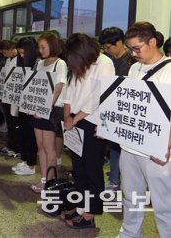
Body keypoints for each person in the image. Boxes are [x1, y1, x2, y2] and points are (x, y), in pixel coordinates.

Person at [119, 22, 171, 238]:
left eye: (137, 48)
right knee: (131, 196)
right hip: (130, 146)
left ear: (153, 42)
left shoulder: (169, 70)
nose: (133, 53)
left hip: (157, 148)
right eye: (130, 48)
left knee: (163, 202)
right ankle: (130, 234)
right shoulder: (134, 68)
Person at [62, 33, 115, 229]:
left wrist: (74, 118)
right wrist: (67, 115)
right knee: (78, 169)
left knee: (92, 170)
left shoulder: (104, 63)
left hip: (92, 123)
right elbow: (69, 91)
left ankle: (90, 214)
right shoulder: (79, 64)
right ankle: (81, 205)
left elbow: (97, 97)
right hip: (74, 120)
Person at [29, 32, 67, 192]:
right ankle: (43, 178)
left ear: (52, 46)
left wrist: (45, 107)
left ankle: (49, 181)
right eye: (39, 47)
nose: (41, 50)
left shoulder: (60, 64)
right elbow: (35, 85)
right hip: (38, 108)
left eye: (43, 46)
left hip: (51, 110)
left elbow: (58, 87)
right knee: (40, 145)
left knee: (49, 147)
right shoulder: (40, 63)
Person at [98, 27, 135, 191]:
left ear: (119, 42)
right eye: (105, 48)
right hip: (112, 109)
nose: (107, 50)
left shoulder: (132, 61)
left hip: (128, 111)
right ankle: (114, 179)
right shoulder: (107, 60)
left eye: (109, 47)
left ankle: (122, 181)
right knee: (114, 146)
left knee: (124, 150)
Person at [12, 37, 39, 176]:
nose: (21, 56)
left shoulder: (38, 63)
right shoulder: (23, 63)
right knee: (23, 132)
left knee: (30, 136)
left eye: (23, 53)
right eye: (20, 53)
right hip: (23, 103)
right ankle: (25, 160)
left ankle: (31, 164)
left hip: (32, 105)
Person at [0, 40, 21, 158]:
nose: (3, 55)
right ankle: (10, 145)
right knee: (9, 123)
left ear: (10, 49)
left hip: (15, 97)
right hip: (6, 95)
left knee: (15, 123)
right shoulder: (7, 60)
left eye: (5, 52)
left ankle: (16, 148)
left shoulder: (20, 60)